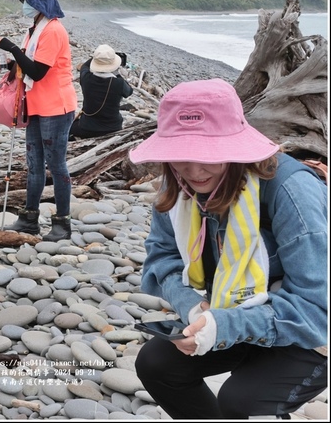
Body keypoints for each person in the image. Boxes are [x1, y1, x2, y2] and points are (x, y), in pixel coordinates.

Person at [129, 78, 327, 419]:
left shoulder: (292, 192)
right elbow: (161, 258)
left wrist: (223, 326)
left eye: (208, 155)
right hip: (238, 309)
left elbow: (316, 309)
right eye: (180, 156)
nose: (193, 170)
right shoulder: (179, 185)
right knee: (157, 363)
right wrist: (192, 309)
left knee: (242, 402)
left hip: (312, 331)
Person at [0, 0, 78, 241]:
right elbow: (26, 65)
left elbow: (38, 71)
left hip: (56, 106)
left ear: (38, 2)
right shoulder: (34, 29)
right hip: (37, 105)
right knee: (34, 164)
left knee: (56, 164)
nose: (24, 4)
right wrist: (9, 63)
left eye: (27, 0)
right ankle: (29, 217)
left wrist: (11, 48)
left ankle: (62, 223)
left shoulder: (53, 30)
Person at [69, 43, 133, 139]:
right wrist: (116, 72)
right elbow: (129, 92)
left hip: (87, 128)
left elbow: (84, 66)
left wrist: (99, 58)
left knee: (68, 127)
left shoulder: (86, 77)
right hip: (113, 128)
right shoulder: (118, 83)